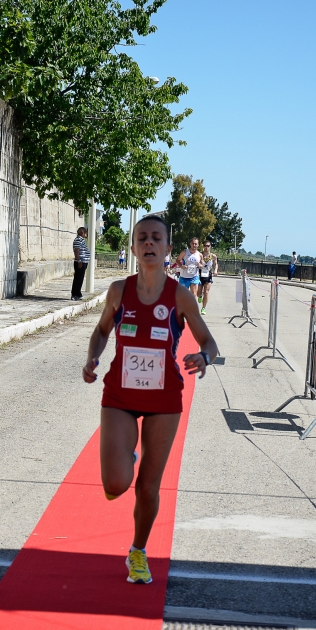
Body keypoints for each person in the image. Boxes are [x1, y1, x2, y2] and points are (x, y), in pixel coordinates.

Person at [82, 215, 218, 584]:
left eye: (156, 238)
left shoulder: (179, 296)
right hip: (120, 396)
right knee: (115, 484)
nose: (149, 243)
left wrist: (203, 358)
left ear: (168, 248)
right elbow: (100, 331)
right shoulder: (117, 291)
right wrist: (93, 357)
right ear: (133, 247)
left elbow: (210, 343)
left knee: (148, 486)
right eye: (142, 237)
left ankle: (138, 552)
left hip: (164, 401)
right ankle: (128, 452)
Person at [197, 241, 218, 315]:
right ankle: (200, 296)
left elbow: (216, 264)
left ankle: (203, 308)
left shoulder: (213, 256)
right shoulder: (200, 254)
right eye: (205, 245)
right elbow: (197, 262)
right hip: (200, 274)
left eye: (208, 246)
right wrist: (199, 265)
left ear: (210, 246)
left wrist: (215, 270)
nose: (206, 247)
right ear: (203, 246)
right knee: (198, 293)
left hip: (208, 275)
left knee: (206, 292)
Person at [71, 227, 90, 301]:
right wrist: (79, 261)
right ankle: (75, 294)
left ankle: (78, 293)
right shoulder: (78, 240)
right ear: (82, 233)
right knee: (78, 278)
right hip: (80, 262)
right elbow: (76, 251)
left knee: (80, 278)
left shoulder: (81, 240)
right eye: (85, 232)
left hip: (83, 262)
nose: (86, 234)